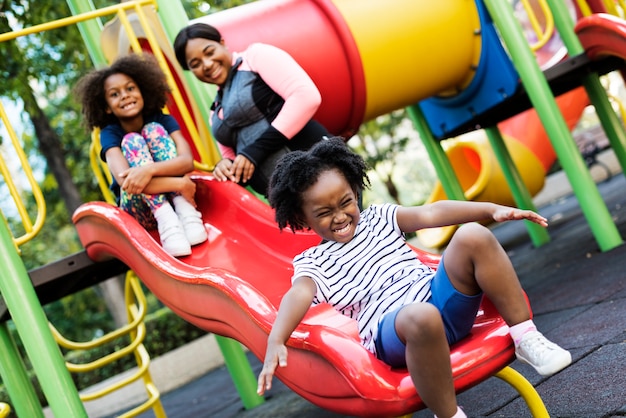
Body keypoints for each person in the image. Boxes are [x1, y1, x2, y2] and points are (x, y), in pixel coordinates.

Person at [256, 137, 572, 418]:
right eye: (323, 213)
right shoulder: (314, 261)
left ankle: (526, 337)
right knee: (420, 315)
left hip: (441, 304)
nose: (339, 216)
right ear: (301, 218)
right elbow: (298, 294)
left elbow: (430, 214)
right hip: (397, 333)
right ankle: (448, 415)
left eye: (345, 203)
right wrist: (276, 339)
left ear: (355, 192)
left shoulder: (379, 217)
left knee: (473, 235)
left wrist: (490, 210)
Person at [173, 22, 329, 196]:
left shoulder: (254, 57)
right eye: (195, 64)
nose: (207, 64)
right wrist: (224, 166)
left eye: (210, 52)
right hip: (286, 199)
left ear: (223, 43)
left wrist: (256, 150)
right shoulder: (215, 112)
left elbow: (306, 96)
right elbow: (235, 159)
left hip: (319, 168)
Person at [74, 53, 207, 257]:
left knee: (153, 129)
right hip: (141, 210)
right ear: (106, 107)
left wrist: (148, 170)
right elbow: (128, 182)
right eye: (115, 94)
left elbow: (186, 161)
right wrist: (179, 184)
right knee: (132, 141)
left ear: (142, 90)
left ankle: (186, 212)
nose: (125, 95)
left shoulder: (162, 120)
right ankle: (167, 221)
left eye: (130, 88)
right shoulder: (110, 134)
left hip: (179, 198)